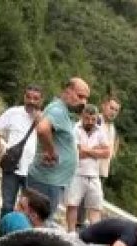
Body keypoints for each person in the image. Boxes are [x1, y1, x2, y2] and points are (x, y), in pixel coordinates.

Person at [27, 77, 90, 218]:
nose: (84, 102)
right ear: (68, 91)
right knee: (39, 221)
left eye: (86, 98)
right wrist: (51, 151)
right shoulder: (58, 111)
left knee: (34, 219)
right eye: (80, 96)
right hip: (47, 181)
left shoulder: (63, 111)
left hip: (51, 180)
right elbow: (42, 129)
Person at [0, 84, 42, 212]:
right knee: (7, 205)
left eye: (35, 98)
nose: (31, 101)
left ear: (41, 101)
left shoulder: (45, 119)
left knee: (29, 208)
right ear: (24, 97)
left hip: (33, 171)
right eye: (28, 97)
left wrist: (40, 122)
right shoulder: (14, 112)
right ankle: (4, 226)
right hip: (12, 167)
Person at [64, 104, 109, 231]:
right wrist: (96, 150)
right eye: (87, 118)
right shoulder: (75, 129)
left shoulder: (100, 130)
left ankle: (95, 235)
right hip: (77, 173)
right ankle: (70, 232)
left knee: (95, 207)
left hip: (94, 175)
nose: (90, 122)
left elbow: (107, 153)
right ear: (82, 116)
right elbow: (77, 153)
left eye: (93, 119)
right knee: (72, 204)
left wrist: (87, 150)